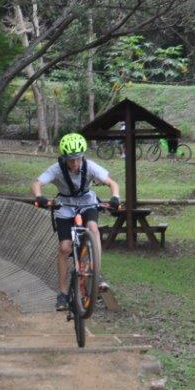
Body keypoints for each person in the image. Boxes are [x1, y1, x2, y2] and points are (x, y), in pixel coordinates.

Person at [31, 132, 121, 311]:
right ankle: (63, 293)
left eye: (77, 158)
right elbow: (36, 184)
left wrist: (115, 198)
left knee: (93, 227)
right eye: (70, 159)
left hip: (87, 203)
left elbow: (113, 184)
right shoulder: (56, 169)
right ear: (64, 158)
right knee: (64, 248)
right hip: (64, 206)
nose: (74, 163)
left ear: (82, 156)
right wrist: (39, 197)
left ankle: (96, 273)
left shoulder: (90, 166)